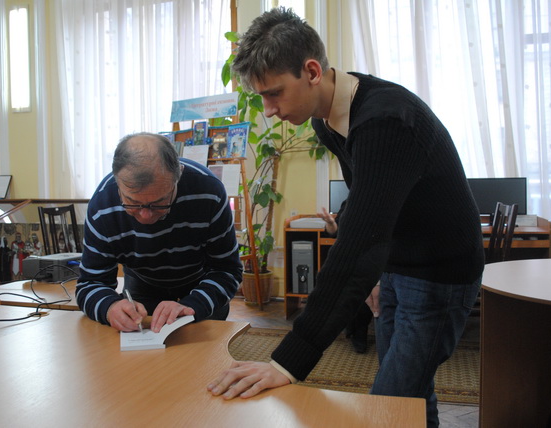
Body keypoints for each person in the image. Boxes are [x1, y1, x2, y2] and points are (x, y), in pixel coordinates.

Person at [207, 8, 484, 427]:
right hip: (399, 263)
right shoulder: (327, 121)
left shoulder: (384, 119)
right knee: (411, 392)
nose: (269, 110)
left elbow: (359, 246)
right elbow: (369, 194)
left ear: (312, 71)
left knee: (389, 402)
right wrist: (373, 270)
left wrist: (287, 362)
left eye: (275, 93)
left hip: (440, 274)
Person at [76, 132, 242, 334]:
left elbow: (227, 270)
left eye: (159, 202)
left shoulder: (209, 191)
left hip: (202, 284)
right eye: (133, 203)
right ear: (117, 183)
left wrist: (194, 304)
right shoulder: (102, 205)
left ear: (178, 175)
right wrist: (110, 307)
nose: (145, 216)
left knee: (203, 347)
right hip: (142, 282)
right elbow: (90, 283)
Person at [316, 204, 373, 354]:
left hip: (374, 257)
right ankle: (351, 326)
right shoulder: (349, 202)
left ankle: (359, 330)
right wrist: (330, 222)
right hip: (350, 256)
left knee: (363, 285)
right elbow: (334, 232)